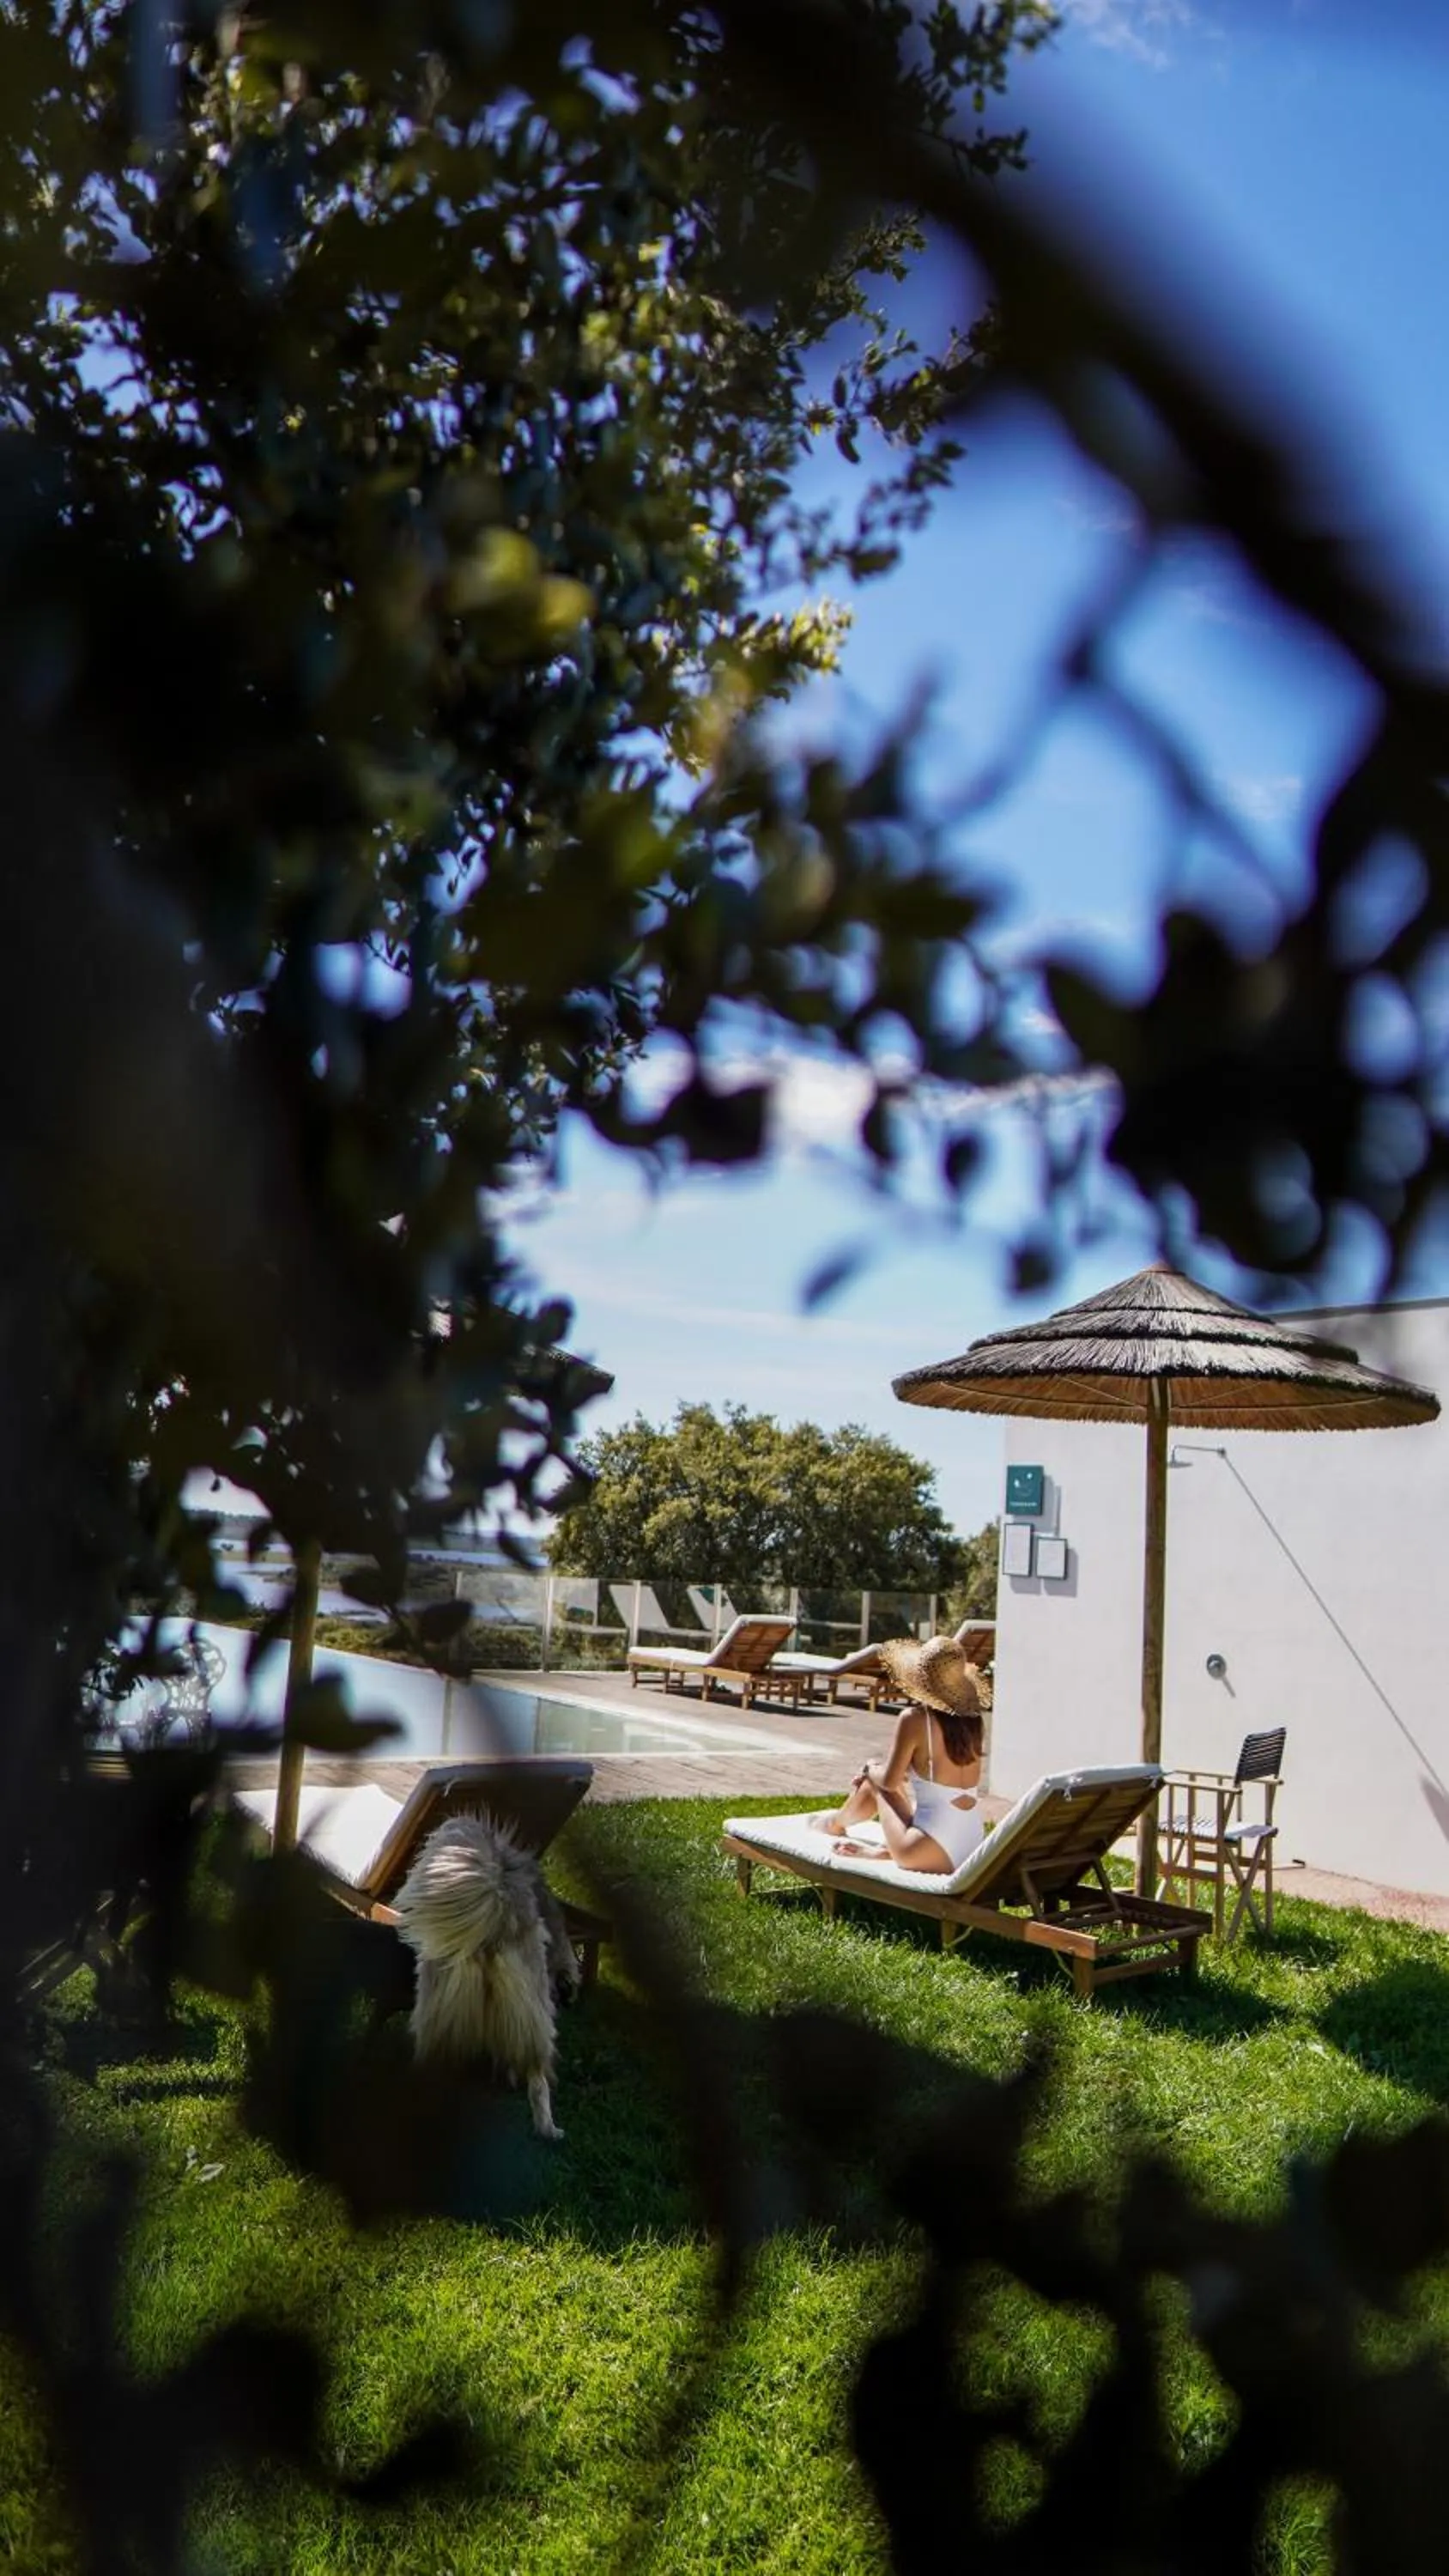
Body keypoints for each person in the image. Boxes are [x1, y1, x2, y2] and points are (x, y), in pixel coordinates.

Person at [813, 1634, 985, 1874]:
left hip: (927, 1846)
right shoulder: (973, 1719)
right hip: (971, 1843)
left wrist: (869, 1770)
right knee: (881, 1775)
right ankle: (877, 1848)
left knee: (877, 1776)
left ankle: (835, 1824)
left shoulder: (916, 1719)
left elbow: (889, 1782)